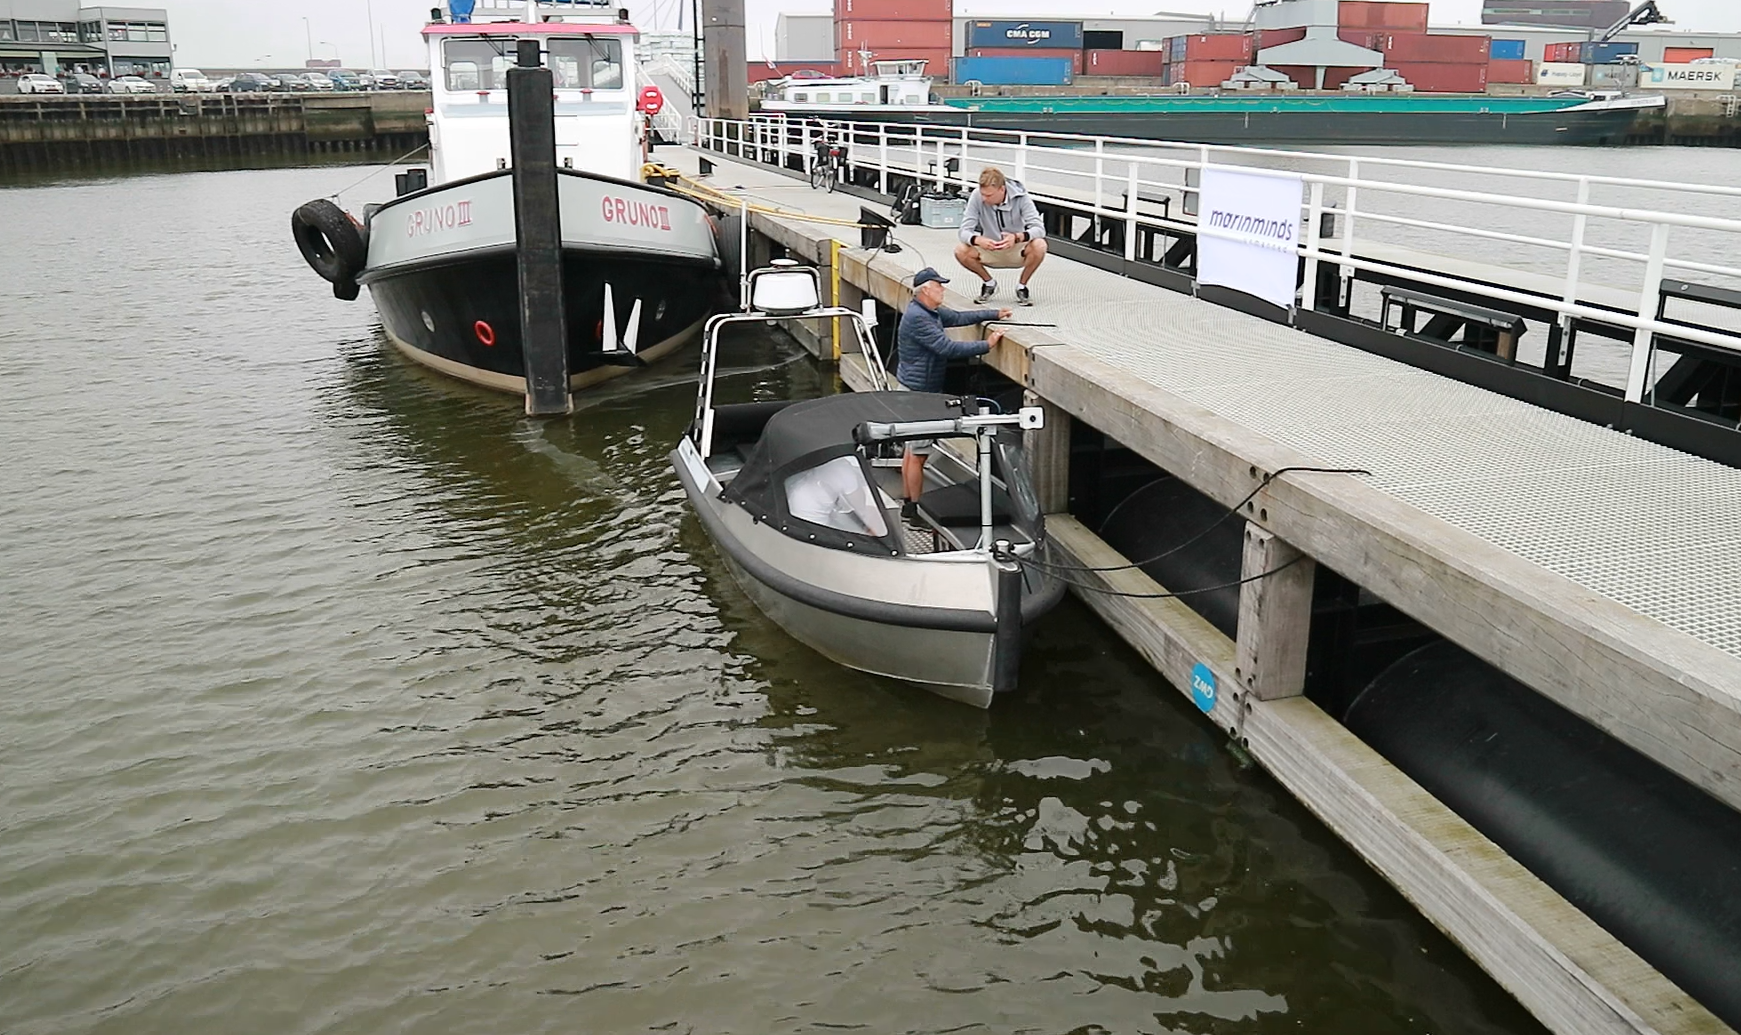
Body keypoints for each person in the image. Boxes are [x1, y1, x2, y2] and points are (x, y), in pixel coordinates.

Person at [894, 267, 1011, 517]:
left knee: (911, 451)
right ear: (926, 289)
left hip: (913, 391)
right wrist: (987, 345)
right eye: (939, 285)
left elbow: (957, 318)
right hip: (919, 395)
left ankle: (907, 502)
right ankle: (912, 511)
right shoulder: (919, 318)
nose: (943, 289)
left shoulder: (928, 311)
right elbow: (946, 348)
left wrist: (994, 313)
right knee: (918, 455)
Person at [954, 166, 1048, 307]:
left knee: (1040, 245)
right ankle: (989, 283)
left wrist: (1017, 237)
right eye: (983, 194)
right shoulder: (977, 196)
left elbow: (1039, 229)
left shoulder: (1021, 197)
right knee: (960, 250)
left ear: (1002, 189)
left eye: (989, 195)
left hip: (1016, 248)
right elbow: (964, 231)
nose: (984, 199)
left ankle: (1022, 286)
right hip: (990, 248)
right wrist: (978, 239)